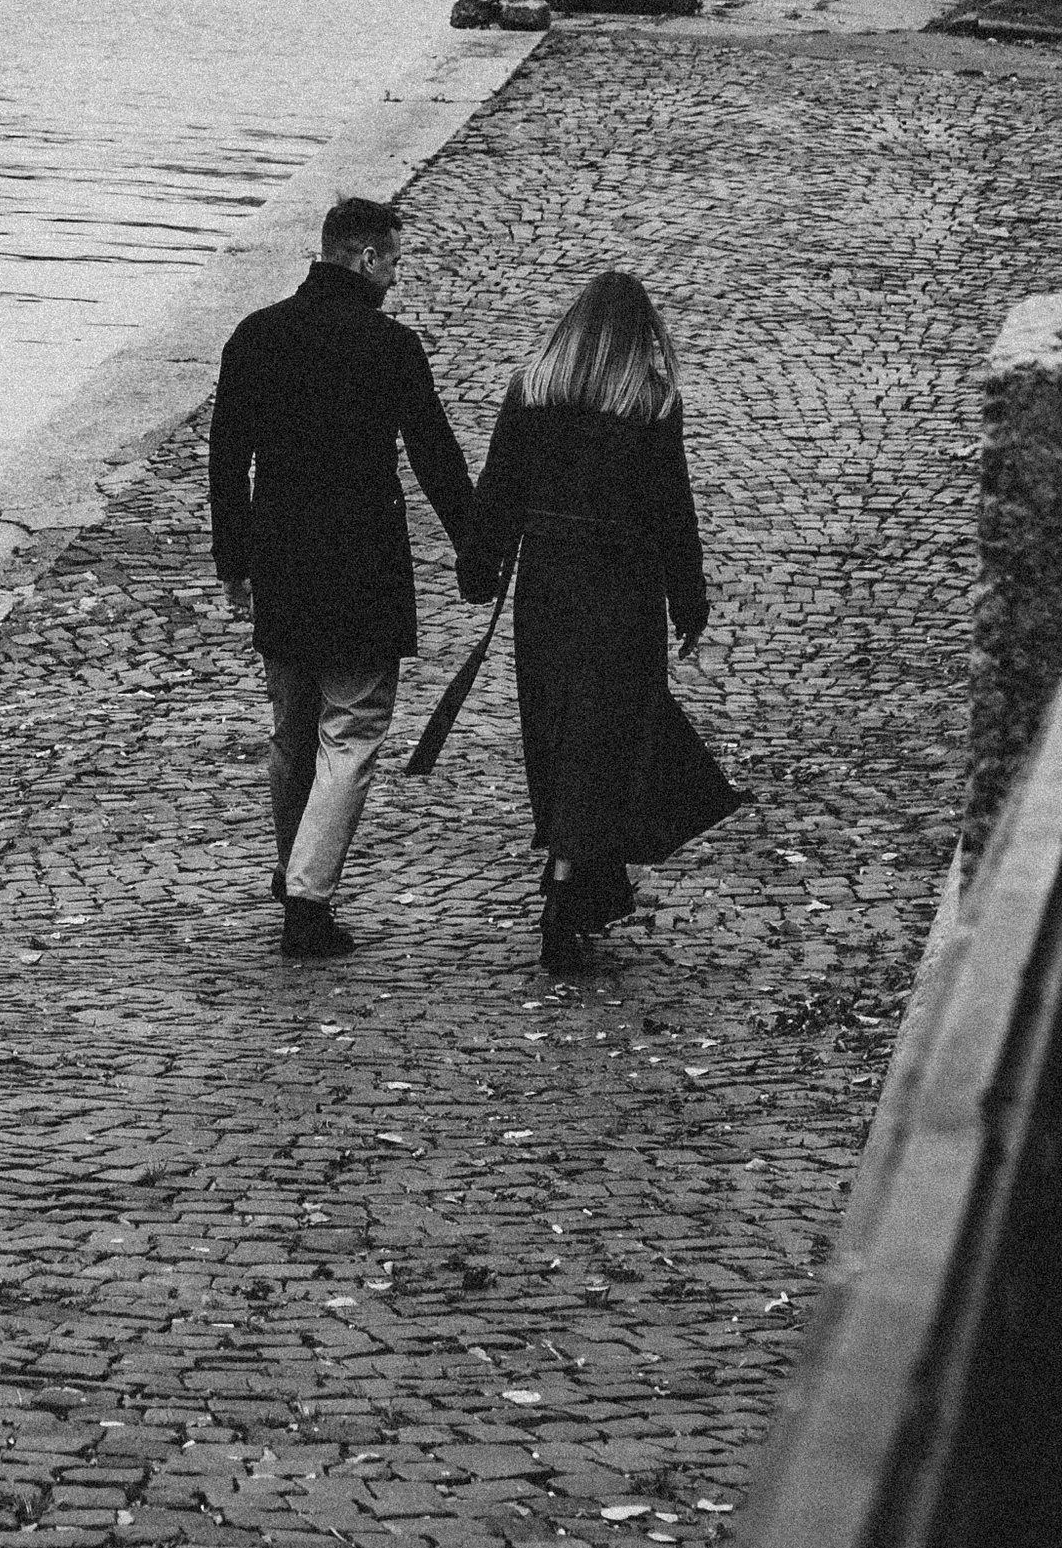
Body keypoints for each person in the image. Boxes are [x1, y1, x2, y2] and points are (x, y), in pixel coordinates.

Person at [210, 194, 477, 961]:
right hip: (363, 564)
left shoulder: (256, 335)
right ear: (365, 258)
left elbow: (227, 459)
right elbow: (434, 455)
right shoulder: (390, 346)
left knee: (292, 728)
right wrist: (475, 547)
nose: (395, 277)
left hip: (282, 558)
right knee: (352, 728)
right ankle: (307, 898)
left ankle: (294, 865)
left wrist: (234, 561)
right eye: (393, 262)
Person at [462, 270, 716, 975]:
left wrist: (479, 565)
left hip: (547, 585)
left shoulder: (532, 390)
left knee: (557, 728)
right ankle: (569, 884)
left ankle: (578, 877)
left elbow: (499, 486)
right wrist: (688, 600)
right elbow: (672, 511)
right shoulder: (650, 404)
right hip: (621, 590)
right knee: (605, 735)